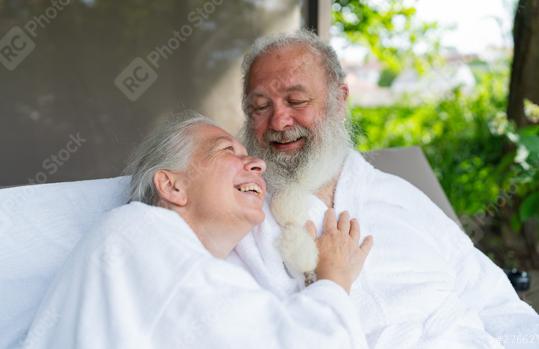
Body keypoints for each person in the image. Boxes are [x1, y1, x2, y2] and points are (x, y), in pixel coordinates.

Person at [236, 30, 539, 348]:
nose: (279, 121)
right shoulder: (245, 221)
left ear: (339, 100)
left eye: (296, 101)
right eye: (259, 108)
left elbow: (497, 304)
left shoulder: (397, 196)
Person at [24, 114, 373, 349]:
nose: (258, 164)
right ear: (172, 186)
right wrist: (334, 282)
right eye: (227, 151)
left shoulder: (178, 262)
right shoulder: (136, 233)